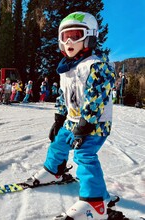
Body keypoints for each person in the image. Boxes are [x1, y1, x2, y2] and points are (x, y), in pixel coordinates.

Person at [25, 12, 115, 219]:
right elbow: (63, 96)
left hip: (95, 124)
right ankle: (53, 170)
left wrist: (86, 124)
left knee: (84, 155)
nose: (69, 41)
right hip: (72, 121)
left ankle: (95, 202)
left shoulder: (96, 66)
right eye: (65, 36)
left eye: (76, 35)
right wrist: (59, 118)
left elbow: (96, 98)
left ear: (90, 36)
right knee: (58, 144)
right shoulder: (66, 69)